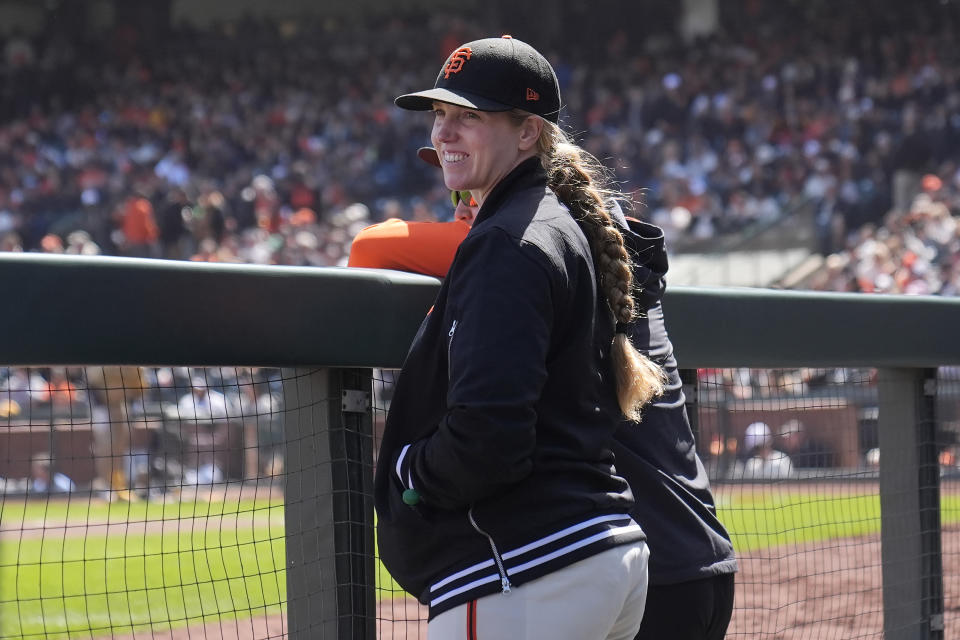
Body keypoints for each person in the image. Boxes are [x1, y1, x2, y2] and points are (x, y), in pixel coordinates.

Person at [354, 147, 737, 640]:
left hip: (619, 565)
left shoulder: (528, 240)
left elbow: (370, 248)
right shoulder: (601, 252)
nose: (463, 202)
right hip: (685, 562)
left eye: (470, 191)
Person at [374, 36, 666, 639]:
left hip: (525, 567)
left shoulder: (508, 242)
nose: (444, 133)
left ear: (528, 131)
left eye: (470, 117)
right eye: (440, 115)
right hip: (598, 554)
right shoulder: (555, 224)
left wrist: (412, 473)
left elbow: (489, 435)